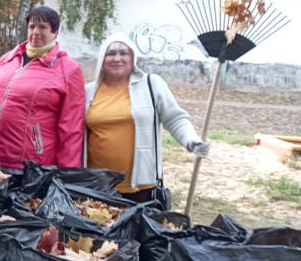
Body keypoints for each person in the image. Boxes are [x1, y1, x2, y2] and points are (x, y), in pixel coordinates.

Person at [84, 32, 210, 203]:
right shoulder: (88, 92)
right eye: (111, 53)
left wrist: (191, 141)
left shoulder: (151, 84)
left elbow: (175, 118)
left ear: (133, 57)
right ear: (102, 59)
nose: (117, 58)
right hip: (98, 187)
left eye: (124, 53)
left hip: (141, 187)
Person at [0, 5, 85, 170]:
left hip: (31, 165)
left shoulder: (68, 70)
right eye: (32, 26)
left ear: (55, 32)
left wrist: (67, 174)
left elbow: (71, 129)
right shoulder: (8, 59)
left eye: (43, 27)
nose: (35, 31)